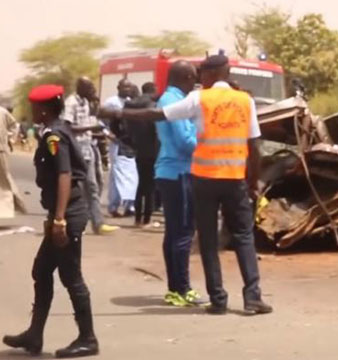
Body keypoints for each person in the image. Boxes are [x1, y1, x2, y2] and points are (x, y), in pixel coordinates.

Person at [100, 54, 272, 315]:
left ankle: (218, 299)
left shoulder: (198, 99)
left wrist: (118, 112)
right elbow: (254, 145)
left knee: (207, 240)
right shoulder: (245, 101)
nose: (198, 78)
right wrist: (253, 180)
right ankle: (252, 297)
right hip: (234, 178)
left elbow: (157, 114)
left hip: (204, 179)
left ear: (213, 74)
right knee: (244, 237)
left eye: (202, 73)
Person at [3, 85, 99, 358]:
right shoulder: (54, 130)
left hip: (68, 213)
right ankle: (34, 335)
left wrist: (59, 220)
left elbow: (64, 175)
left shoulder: (54, 136)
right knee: (42, 271)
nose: (32, 111)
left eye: (34, 107)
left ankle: (88, 338)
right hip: (62, 212)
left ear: (43, 109)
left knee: (71, 276)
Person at [154, 61, 203, 306]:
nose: (194, 83)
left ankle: (175, 288)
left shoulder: (167, 99)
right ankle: (182, 288)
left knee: (174, 232)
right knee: (183, 232)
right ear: (184, 77)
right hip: (179, 171)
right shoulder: (175, 102)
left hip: (170, 171)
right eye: (193, 78)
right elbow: (186, 141)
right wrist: (206, 139)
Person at [62, 77, 119, 234]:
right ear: (81, 88)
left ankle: (98, 223)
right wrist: (89, 127)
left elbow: (94, 123)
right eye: (90, 88)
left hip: (88, 149)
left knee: (93, 186)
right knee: (75, 189)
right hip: (75, 151)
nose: (92, 90)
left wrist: (102, 131)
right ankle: (65, 222)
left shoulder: (86, 103)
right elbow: (67, 127)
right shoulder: (71, 102)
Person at [103, 79, 138, 217]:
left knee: (132, 175)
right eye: (125, 87)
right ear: (118, 87)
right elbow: (101, 121)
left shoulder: (131, 102)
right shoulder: (111, 102)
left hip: (129, 143)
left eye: (130, 86)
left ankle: (129, 206)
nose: (128, 89)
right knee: (118, 175)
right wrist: (108, 134)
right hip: (117, 143)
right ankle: (114, 206)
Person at [128, 82, 159, 227]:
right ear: (153, 90)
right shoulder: (153, 106)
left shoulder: (130, 105)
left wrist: (126, 140)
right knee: (150, 186)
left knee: (141, 184)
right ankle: (147, 219)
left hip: (137, 148)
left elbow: (117, 123)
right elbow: (156, 129)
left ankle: (137, 218)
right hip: (153, 149)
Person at [0, 105, 27, 218]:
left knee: (4, 180)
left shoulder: (2, 112)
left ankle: (8, 208)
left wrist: (9, 138)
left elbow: (14, 125)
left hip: (0, 150)